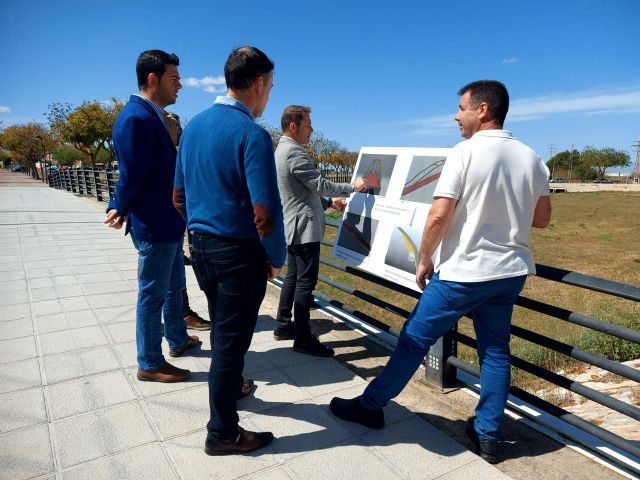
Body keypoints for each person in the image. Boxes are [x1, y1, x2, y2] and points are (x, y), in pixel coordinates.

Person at [330, 80, 552, 464]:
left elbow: (439, 214)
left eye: (461, 108)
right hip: (510, 272)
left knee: (414, 338)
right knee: (496, 352)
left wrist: (424, 258)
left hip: (464, 273)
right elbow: (543, 219)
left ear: (482, 110)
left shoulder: (464, 153)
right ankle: (488, 436)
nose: (456, 115)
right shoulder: (532, 158)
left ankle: (371, 405)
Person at [173, 46, 286, 455]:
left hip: (201, 246)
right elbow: (265, 210)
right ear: (257, 83)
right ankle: (222, 432)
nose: (269, 95)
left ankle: (232, 387)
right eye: (270, 87)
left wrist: (200, 227)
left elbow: (178, 195)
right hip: (237, 252)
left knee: (223, 327)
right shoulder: (251, 133)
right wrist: (275, 256)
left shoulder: (194, 127)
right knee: (229, 342)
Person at [104, 50, 201, 383]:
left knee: (174, 286)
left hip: (168, 221)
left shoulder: (152, 115)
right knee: (152, 293)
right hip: (155, 223)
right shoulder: (136, 117)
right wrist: (118, 204)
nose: (181, 85)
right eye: (175, 78)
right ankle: (149, 361)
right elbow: (132, 172)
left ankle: (177, 339)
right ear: (152, 79)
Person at [273, 105, 367, 356]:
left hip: (294, 225)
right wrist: (353, 187)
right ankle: (303, 339)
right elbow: (320, 184)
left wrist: (327, 203)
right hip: (304, 229)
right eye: (308, 124)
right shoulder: (294, 152)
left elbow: (301, 192)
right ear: (294, 126)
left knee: (293, 278)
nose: (312, 129)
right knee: (305, 283)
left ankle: (283, 325)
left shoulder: (282, 150)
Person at [164, 111, 211, 332]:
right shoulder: (169, 155)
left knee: (172, 276)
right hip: (165, 226)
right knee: (167, 279)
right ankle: (180, 317)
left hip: (174, 225)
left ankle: (176, 326)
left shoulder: (176, 153)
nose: (178, 130)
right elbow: (178, 195)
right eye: (174, 127)